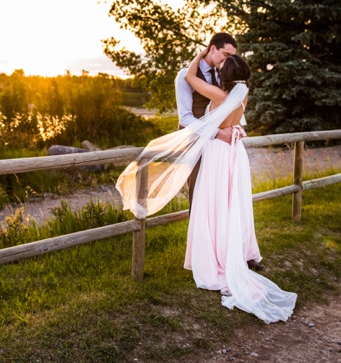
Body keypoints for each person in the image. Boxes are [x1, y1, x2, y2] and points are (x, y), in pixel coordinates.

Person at [115, 47, 296, 324]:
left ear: (224, 75)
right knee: (227, 206)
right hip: (235, 155)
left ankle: (213, 260)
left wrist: (201, 54)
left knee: (210, 205)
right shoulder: (243, 94)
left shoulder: (218, 94)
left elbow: (189, 76)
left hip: (217, 155)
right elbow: (236, 122)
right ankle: (228, 254)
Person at [174, 32, 237, 209]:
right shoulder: (185, 75)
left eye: (232, 57)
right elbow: (185, 117)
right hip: (196, 141)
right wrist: (217, 133)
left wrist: (234, 129)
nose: (229, 61)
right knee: (198, 192)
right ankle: (198, 235)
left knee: (219, 193)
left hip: (220, 143)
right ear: (212, 49)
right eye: (226, 55)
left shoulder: (224, 74)